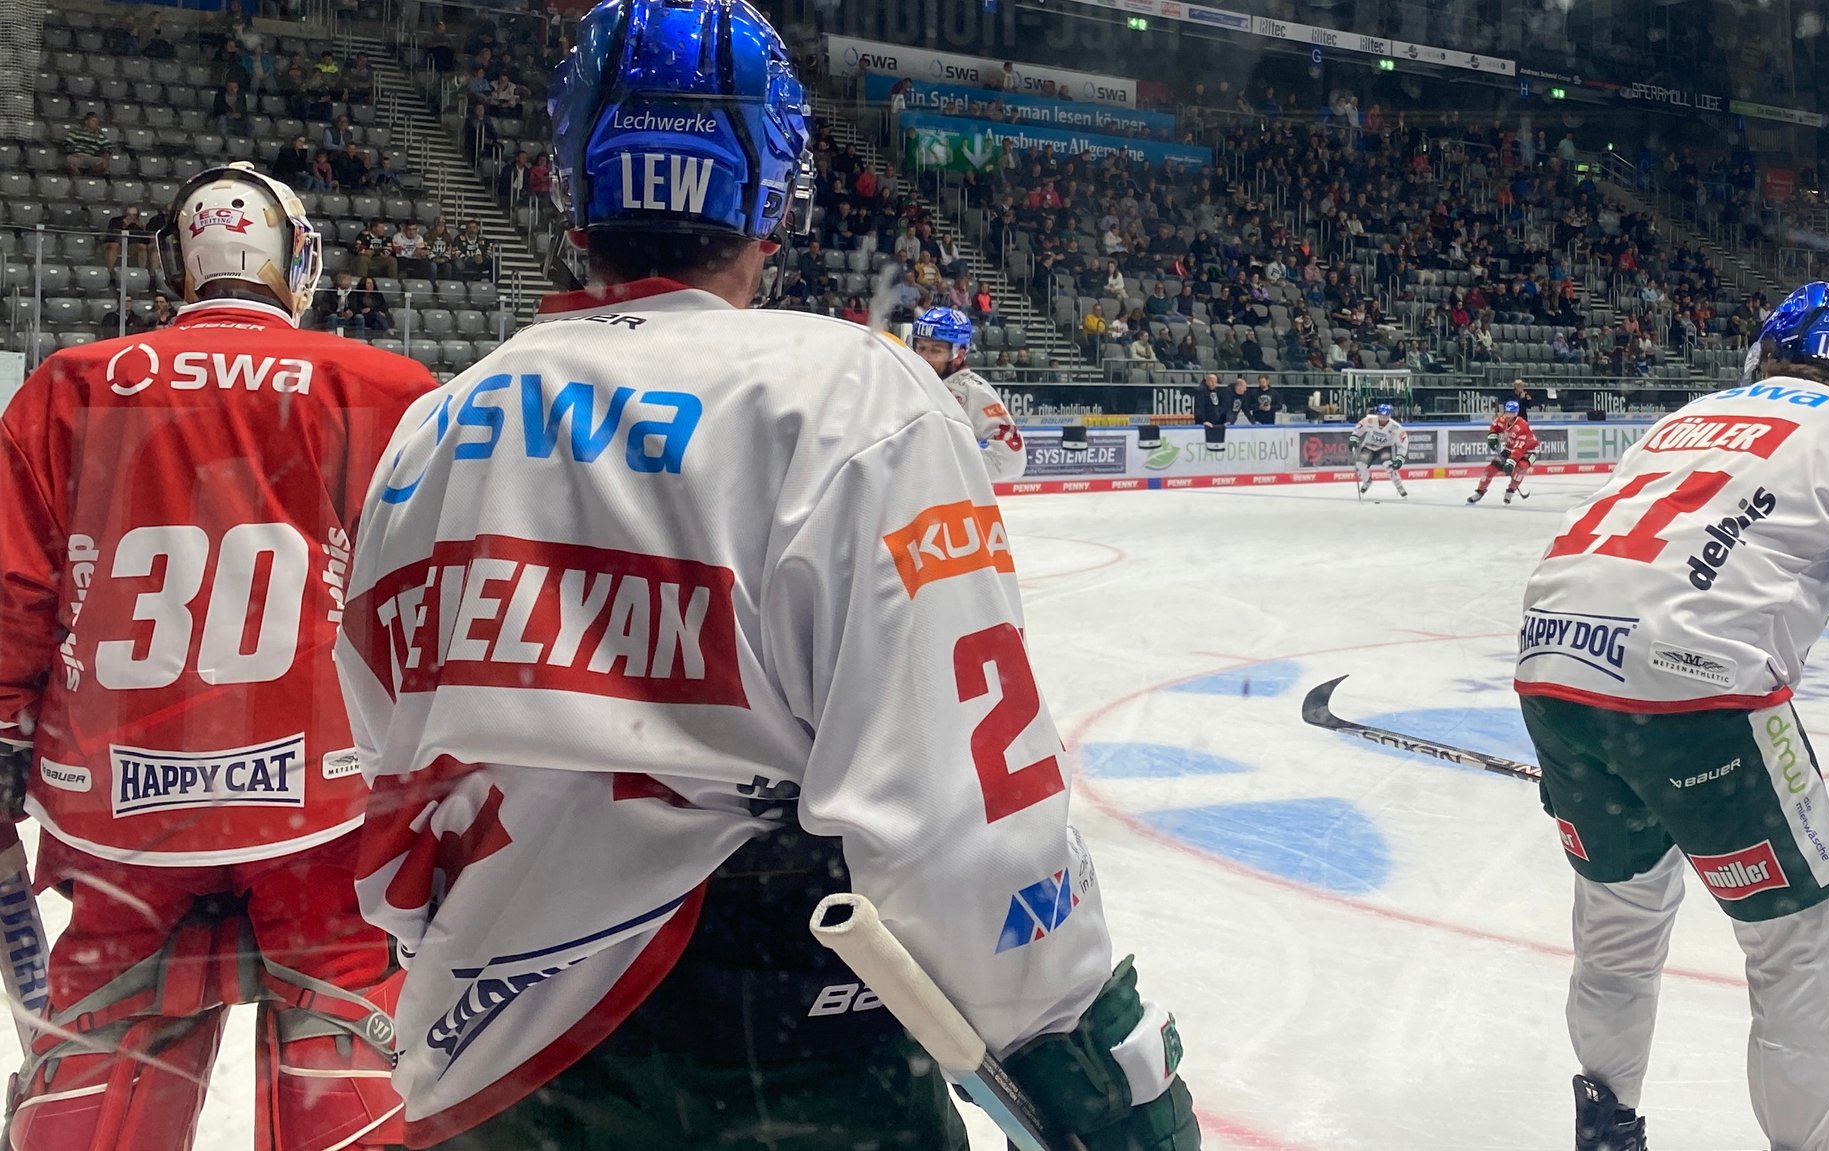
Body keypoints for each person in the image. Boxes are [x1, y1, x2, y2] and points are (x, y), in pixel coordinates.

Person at [337, 4, 1196, 1150]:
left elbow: (396, 762)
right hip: (786, 1082)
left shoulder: (430, 429)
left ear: (568, 176)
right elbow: (962, 816)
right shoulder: (852, 395)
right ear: (772, 183)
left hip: (488, 1073)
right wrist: (1095, 1064)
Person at [0, 161, 436, 1151]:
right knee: (347, 1069)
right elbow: (427, 612)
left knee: (95, 1087)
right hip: (322, 816)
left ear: (172, 265)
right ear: (301, 262)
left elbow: (14, 595)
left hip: (110, 822)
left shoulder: (65, 386)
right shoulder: (385, 387)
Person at [1515, 282, 1829, 1151]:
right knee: (1797, 945)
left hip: (1554, 667)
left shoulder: (1683, 416)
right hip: (1700, 694)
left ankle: (1607, 1132)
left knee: (1616, 926)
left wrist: (1593, 729)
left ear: (1763, 350)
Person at [911, 306, 1027, 481]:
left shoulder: (972, 390)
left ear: (959, 354)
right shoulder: (916, 380)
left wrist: (944, 470)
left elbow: (1011, 460)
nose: (924, 357)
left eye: (935, 350)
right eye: (921, 347)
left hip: (944, 504)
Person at [1468, 399, 1538, 504]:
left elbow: (1519, 449)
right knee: (1490, 469)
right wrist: (1492, 436)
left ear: (1516, 413)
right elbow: (1494, 426)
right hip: (1511, 448)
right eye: (1507, 412)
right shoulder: (1502, 419)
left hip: (1529, 451)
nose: (1508, 415)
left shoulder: (1522, 426)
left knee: (1520, 468)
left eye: (1511, 413)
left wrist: (1511, 462)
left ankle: (1510, 491)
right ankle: (1480, 492)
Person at [1349, 403, 1409, 498]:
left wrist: (1400, 458)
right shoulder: (1369, 420)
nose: (1383, 418)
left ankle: (1399, 486)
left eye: (1386, 416)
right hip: (1369, 446)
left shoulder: (1396, 427)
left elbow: (1403, 443)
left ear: (1389, 415)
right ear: (1377, 414)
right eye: (1381, 415)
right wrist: (1354, 438)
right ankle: (1367, 481)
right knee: (1360, 465)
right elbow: (1358, 429)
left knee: (1389, 466)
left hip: (1385, 448)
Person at [64, 112, 112, 177]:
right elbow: (66, 144)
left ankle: (88, 177)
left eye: (97, 121)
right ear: (86, 122)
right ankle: (77, 177)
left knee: (103, 164)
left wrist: (105, 157)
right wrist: (73, 152)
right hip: (77, 155)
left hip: (90, 157)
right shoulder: (75, 132)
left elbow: (108, 148)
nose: (96, 123)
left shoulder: (100, 136)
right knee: (69, 162)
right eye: (93, 121)